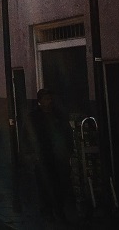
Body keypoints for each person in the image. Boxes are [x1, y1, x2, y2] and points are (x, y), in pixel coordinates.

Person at [25, 88, 73, 223]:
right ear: (40, 101)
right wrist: (31, 154)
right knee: (44, 185)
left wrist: (68, 150)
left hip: (57, 156)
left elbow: (67, 133)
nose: (49, 101)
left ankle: (59, 210)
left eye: (50, 98)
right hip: (42, 156)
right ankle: (47, 211)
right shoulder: (34, 117)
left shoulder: (58, 115)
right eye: (46, 99)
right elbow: (27, 136)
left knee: (59, 184)